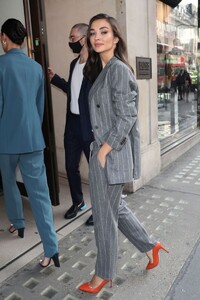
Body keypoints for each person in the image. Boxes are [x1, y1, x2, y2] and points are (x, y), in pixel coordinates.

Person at [79, 13, 168, 294]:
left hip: (110, 155)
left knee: (105, 216)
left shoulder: (118, 70)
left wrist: (104, 151)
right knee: (114, 208)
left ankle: (103, 274)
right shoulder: (104, 69)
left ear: (116, 38)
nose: (97, 37)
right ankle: (150, 246)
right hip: (106, 153)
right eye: (93, 32)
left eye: (104, 32)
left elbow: (126, 115)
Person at [0, 18, 60, 268]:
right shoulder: (36, 68)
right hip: (33, 139)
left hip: (6, 140)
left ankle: (18, 222)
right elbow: (39, 107)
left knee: (9, 182)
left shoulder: (0, 65)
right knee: (40, 195)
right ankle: (51, 249)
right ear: (22, 39)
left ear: (5, 38)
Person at [48, 23, 94, 225]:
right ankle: (79, 202)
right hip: (73, 124)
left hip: (90, 125)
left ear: (84, 38)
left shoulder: (96, 64)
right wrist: (54, 79)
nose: (70, 41)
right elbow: (73, 91)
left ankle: (100, 209)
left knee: (97, 171)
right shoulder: (74, 64)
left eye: (73, 38)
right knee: (70, 166)